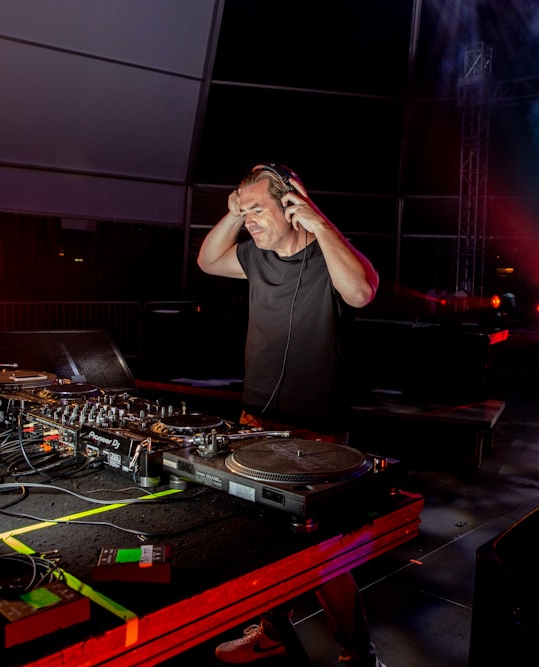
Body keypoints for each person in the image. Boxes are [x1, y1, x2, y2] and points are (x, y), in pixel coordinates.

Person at [197, 163, 383, 666]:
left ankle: (358, 652)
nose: (248, 218)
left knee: (319, 551)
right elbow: (208, 260)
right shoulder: (255, 257)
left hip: (315, 431)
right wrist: (234, 214)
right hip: (255, 419)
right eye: (243, 207)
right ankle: (272, 630)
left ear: (293, 205)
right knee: (264, 541)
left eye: (257, 208)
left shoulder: (331, 254)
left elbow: (362, 293)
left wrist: (321, 224)